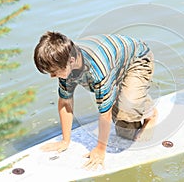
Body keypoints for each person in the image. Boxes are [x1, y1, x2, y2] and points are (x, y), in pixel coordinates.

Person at [34, 32, 158, 169]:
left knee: (127, 111)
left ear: (71, 61)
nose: (52, 76)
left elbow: (105, 114)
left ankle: (150, 114)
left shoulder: (98, 71)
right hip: (114, 63)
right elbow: (65, 102)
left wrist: (100, 149)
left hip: (137, 58)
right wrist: (65, 140)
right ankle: (128, 94)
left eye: (54, 72)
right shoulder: (65, 61)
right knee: (125, 133)